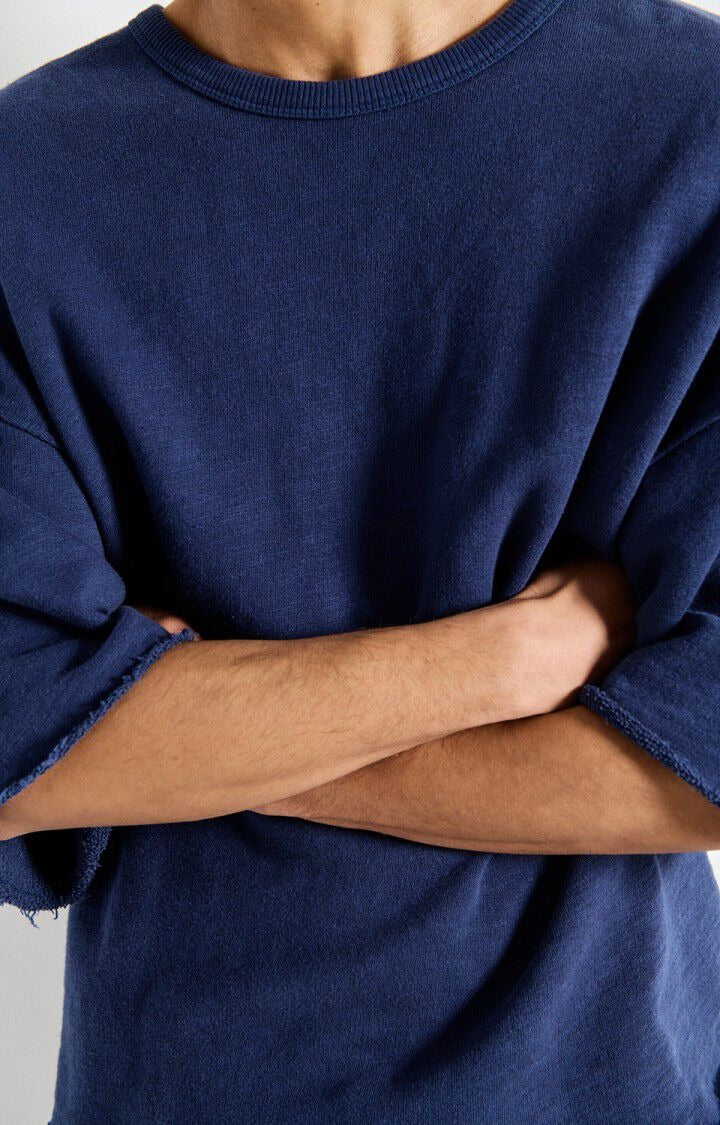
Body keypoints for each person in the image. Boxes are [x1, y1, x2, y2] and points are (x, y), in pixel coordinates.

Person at [1, 0, 720, 1119]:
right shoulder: (24, 179)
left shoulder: (690, 115)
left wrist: (180, 731)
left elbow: (701, 760)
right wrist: (507, 661)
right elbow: (19, 745)